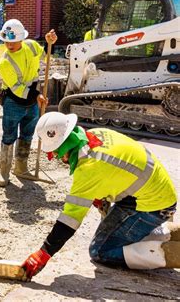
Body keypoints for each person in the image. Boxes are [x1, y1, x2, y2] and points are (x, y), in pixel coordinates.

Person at [20, 112, 178, 281]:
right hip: (154, 194)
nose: (59, 158)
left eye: (56, 153)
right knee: (113, 233)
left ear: (64, 147)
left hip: (153, 206)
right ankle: (169, 233)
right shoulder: (96, 134)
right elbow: (119, 166)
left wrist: (45, 252)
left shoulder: (88, 168)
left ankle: (170, 254)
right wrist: (103, 192)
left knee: (101, 250)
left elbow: (70, 218)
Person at [0, 19, 57, 187]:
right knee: (9, 136)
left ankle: (21, 168)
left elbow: (46, 55)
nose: (9, 44)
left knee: (28, 134)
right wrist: (37, 96)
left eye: (13, 40)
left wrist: (49, 42)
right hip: (13, 101)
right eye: (6, 40)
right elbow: (17, 89)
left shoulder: (31, 46)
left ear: (21, 38)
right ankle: (4, 173)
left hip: (32, 99)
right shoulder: (5, 61)